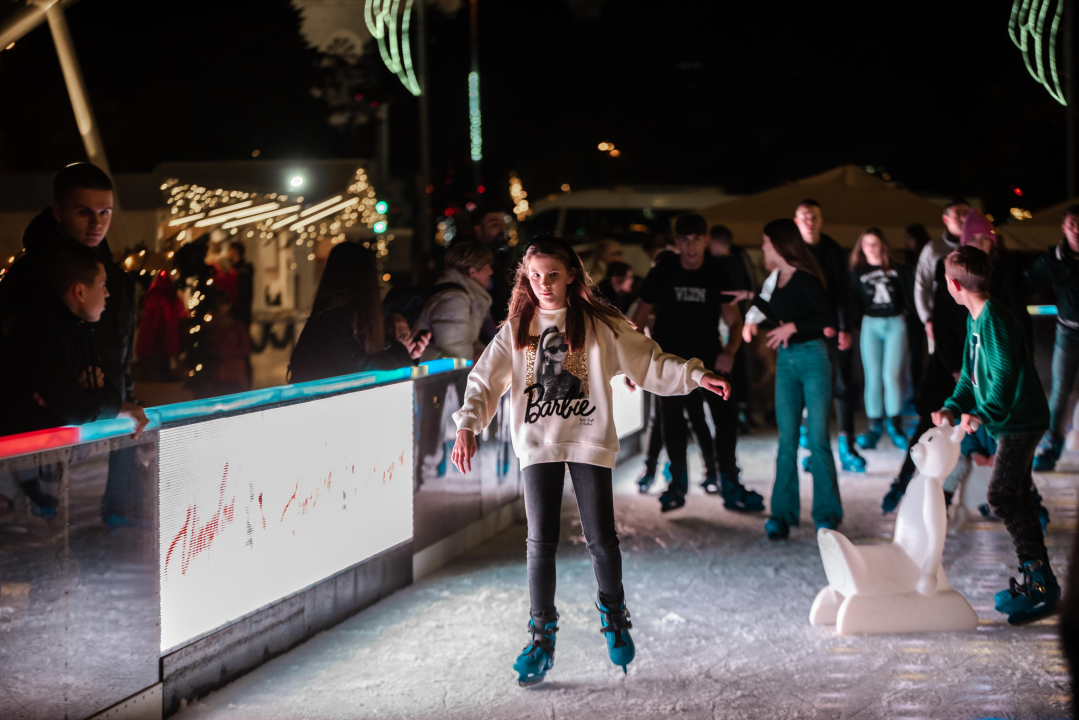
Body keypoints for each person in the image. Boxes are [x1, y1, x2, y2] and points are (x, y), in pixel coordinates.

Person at [450, 234, 731, 685]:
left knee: (602, 538)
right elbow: (484, 382)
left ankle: (615, 618)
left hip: (589, 439)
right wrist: (467, 424)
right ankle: (541, 639)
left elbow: (649, 362)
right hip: (538, 444)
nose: (544, 284)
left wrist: (695, 374)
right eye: (535, 276)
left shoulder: (600, 324)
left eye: (553, 275)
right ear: (526, 278)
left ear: (572, 276)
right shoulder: (517, 328)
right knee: (540, 542)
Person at [932, 245, 1056, 625]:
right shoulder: (975, 320)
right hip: (1012, 421)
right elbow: (970, 378)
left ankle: (1039, 578)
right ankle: (1038, 578)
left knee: (1001, 494)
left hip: (1022, 420)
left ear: (955, 285)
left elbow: (1003, 376)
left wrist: (983, 414)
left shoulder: (995, 320)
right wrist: (952, 408)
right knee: (1014, 493)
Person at [633, 213, 761, 513]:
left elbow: (734, 320)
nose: (690, 247)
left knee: (725, 421)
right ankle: (677, 485)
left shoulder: (717, 271)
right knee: (672, 423)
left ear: (705, 240)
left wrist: (729, 352)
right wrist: (637, 362)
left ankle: (729, 481)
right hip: (669, 362)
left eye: (696, 240)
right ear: (677, 242)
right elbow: (638, 319)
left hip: (708, 359)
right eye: (684, 240)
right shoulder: (664, 270)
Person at [727, 219, 840, 540]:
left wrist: (793, 327)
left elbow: (828, 317)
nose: (763, 247)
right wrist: (751, 296)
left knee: (817, 440)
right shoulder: (776, 280)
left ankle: (827, 513)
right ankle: (782, 513)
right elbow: (777, 311)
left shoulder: (806, 278)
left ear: (779, 244)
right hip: (787, 361)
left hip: (813, 358)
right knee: (786, 441)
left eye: (765, 242)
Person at [794, 199, 866, 473]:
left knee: (843, 386)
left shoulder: (832, 249)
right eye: (805, 217)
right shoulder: (792, 250)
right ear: (797, 221)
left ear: (821, 220)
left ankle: (847, 447)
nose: (810, 221)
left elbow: (842, 290)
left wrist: (844, 326)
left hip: (834, 328)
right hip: (802, 330)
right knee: (809, 390)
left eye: (814, 216)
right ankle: (813, 447)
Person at [288, 243, 428, 383]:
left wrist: (406, 352)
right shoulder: (329, 321)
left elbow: (361, 360)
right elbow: (359, 368)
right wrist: (400, 352)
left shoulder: (341, 318)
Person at [1026, 204, 1079, 470]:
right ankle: (1051, 449)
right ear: (1064, 228)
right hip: (1067, 331)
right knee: (1059, 392)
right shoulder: (1053, 258)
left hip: (1066, 330)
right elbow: (1026, 282)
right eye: (1071, 224)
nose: (1076, 229)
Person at [849, 228, 913, 450]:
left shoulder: (898, 269)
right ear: (861, 247)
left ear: (882, 245)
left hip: (895, 322)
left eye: (875, 243)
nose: (871, 248)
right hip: (870, 323)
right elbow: (852, 301)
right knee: (872, 377)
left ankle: (895, 426)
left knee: (891, 376)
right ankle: (874, 427)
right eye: (866, 244)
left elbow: (909, 295)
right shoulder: (856, 272)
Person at [414, 239, 494, 361]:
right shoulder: (454, 299)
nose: (491, 271)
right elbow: (455, 351)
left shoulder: (467, 296)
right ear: (472, 271)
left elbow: (469, 340)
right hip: (438, 375)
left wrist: (479, 350)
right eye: (487, 267)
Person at [709, 223, 756, 430]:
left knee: (731, 363)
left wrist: (748, 319)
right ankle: (739, 412)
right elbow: (752, 286)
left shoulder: (720, 263)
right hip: (736, 319)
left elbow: (751, 288)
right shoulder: (740, 259)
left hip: (730, 321)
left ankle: (736, 412)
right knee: (735, 364)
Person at [914, 197, 970, 346]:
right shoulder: (933, 249)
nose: (963, 217)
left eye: (966, 212)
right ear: (945, 219)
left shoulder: (977, 246)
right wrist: (927, 319)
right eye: (958, 213)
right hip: (941, 317)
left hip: (971, 317)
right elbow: (921, 285)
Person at [135, 270, 184, 382]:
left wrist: (143, 349)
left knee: (154, 378)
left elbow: (149, 325)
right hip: (164, 346)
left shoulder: (155, 298)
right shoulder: (173, 298)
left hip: (155, 347)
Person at [471, 204, 512, 327]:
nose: (502, 229)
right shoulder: (474, 260)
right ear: (478, 230)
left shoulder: (493, 256)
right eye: (495, 224)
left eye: (502, 224)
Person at [227, 241, 254, 327]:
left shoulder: (242, 272)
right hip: (241, 313)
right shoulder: (240, 270)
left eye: (229, 250)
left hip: (239, 313)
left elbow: (242, 294)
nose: (227, 253)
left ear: (234, 251)